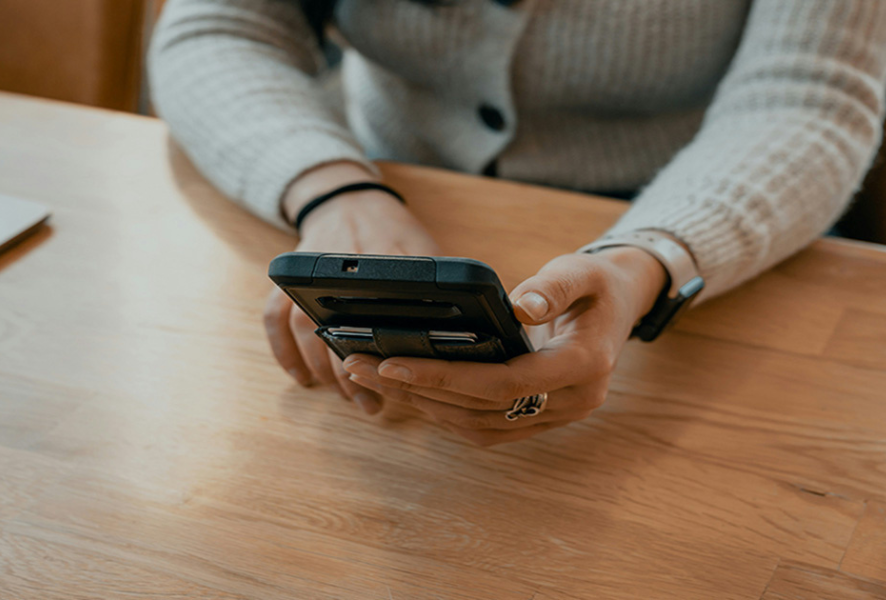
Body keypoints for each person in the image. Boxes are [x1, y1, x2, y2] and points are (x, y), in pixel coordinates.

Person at [150, 0, 886, 446]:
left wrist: (650, 257)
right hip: (384, 180)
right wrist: (330, 190)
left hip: (700, 225)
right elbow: (219, 25)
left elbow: (809, 95)